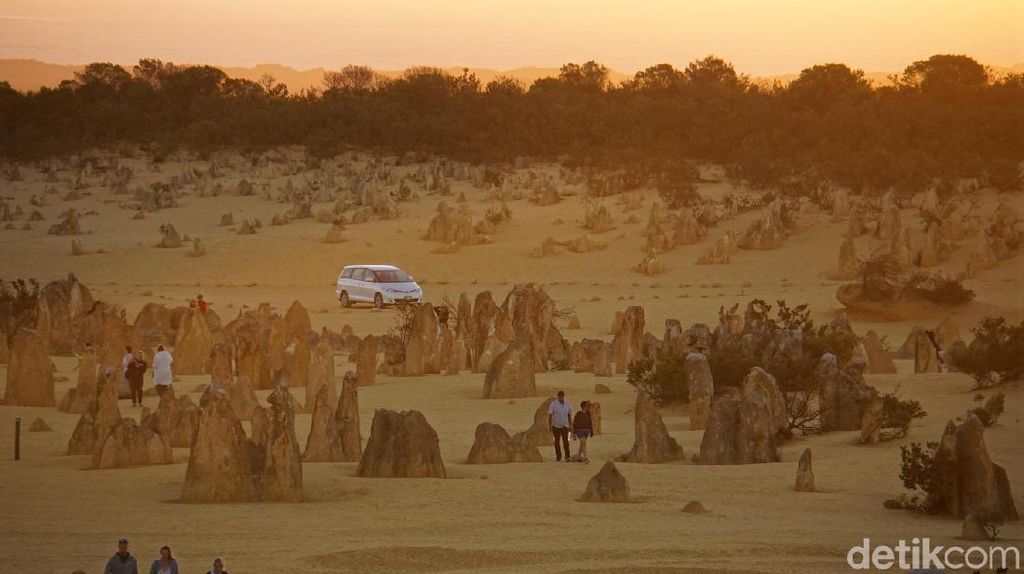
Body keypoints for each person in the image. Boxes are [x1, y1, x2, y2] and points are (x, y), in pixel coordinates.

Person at [547, 390, 573, 462]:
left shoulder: (567, 404)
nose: (560, 398)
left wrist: (570, 425)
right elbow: (550, 415)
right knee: (557, 442)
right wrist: (550, 425)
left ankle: (567, 456)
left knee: (566, 442)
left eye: (561, 396)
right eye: (559, 396)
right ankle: (558, 456)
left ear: (563, 396)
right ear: (557, 396)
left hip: (565, 426)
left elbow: (569, 415)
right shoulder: (553, 404)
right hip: (556, 426)